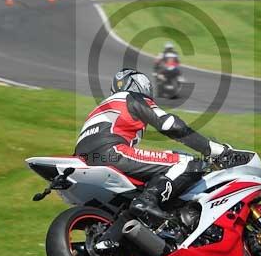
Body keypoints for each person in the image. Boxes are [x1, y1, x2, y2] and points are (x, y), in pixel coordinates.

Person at [74, 68, 228, 225]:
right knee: (189, 161)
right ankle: (147, 201)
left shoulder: (101, 107)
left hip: (85, 159)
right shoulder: (132, 97)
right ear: (137, 83)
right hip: (112, 152)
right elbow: (170, 125)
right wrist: (212, 149)